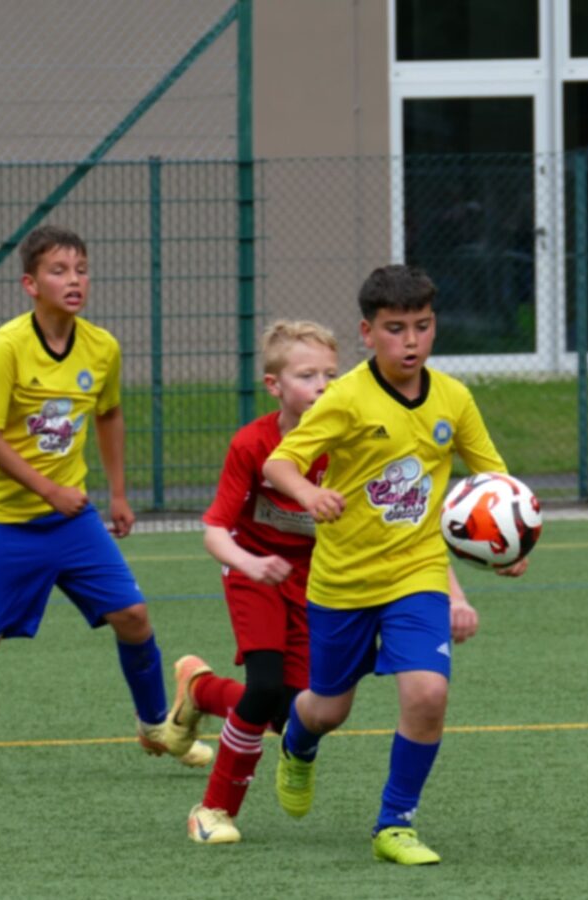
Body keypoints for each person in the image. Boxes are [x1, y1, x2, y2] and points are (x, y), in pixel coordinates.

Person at [0, 224, 206, 788]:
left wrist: (118, 493)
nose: (74, 281)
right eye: (59, 271)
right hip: (6, 524)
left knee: (133, 616)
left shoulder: (102, 347)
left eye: (82, 270)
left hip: (72, 522)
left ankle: (155, 727)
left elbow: (109, 414)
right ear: (30, 284)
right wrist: (49, 490)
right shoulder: (7, 347)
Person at [170, 320, 481, 845]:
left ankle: (200, 690)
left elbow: (406, 531)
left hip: (324, 582)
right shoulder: (253, 445)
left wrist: (453, 593)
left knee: (292, 714)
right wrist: (250, 564)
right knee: (264, 687)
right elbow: (214, 531)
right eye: (306, 375)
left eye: (330, 375)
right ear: (274, 385)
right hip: (255, 574)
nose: (321, 386)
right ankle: (214, 809)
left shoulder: (355, 439)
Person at [261, 264, 528, 866]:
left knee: (428, 693)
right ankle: (298, 741)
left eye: (423, 326)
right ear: (367, 332)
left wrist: (512, 543)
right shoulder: (346, 398)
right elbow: (279, 464)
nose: (411, 341)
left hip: (417, 573)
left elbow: (494, 479)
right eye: (395, 328)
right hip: (343, 581)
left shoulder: (453, 398)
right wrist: (309, 494)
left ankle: (395, 823)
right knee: (329, 709)